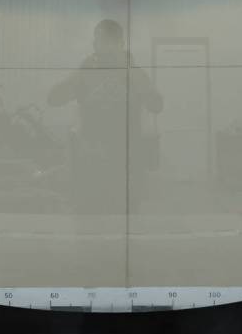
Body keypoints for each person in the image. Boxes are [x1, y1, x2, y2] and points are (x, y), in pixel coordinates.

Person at [47, 20, 162, 213]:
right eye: (96, 40)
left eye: (101, 40)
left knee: (125, 219)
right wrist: (79, 76)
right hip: (91, 165)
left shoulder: (134, 73)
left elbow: (157, 105)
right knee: (89, 221)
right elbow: (53, 99)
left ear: (119, 44)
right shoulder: (87, 73)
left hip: (126, 167)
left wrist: (136, 80)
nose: (95, 45)